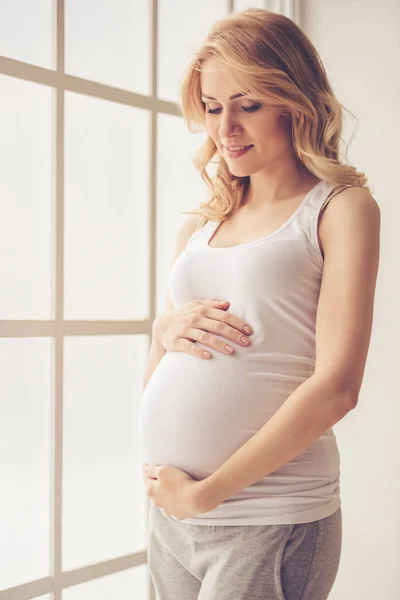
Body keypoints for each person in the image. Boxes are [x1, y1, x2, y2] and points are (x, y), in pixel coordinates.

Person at [138, 8, 380, 600]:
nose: (227, 129)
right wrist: (163, 329)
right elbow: (164, 356)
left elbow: (338, 388)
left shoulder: (340, 208)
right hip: (173, 516)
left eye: (247, 105)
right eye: (214, 108)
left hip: (269, 517)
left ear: (294, 100)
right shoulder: (204, 220)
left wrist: (209, 490)